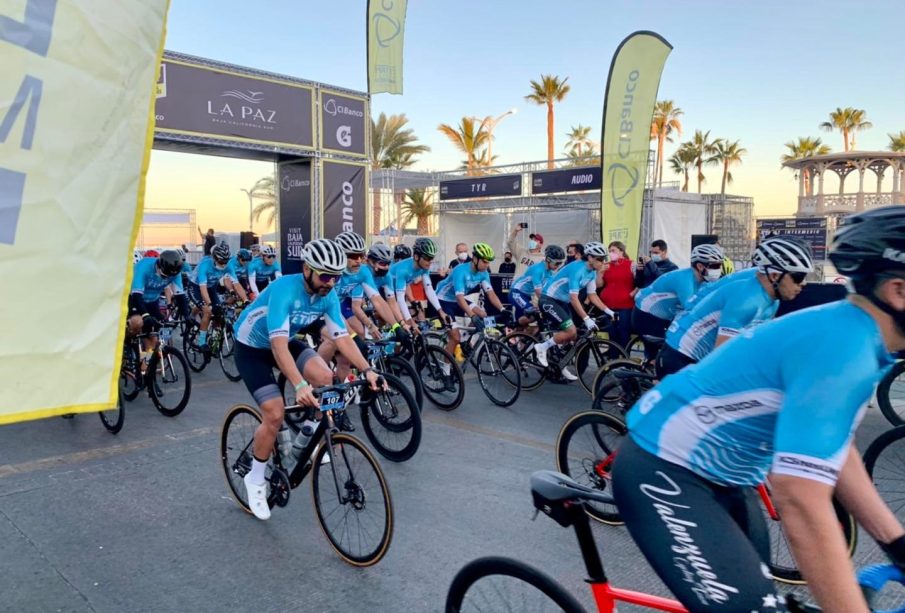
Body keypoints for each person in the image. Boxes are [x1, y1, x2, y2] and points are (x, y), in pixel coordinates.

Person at [612, 205, 905, 613]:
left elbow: (836, 448)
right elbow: (800, 500)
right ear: (897, 291)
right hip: (664, 468)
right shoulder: (844, 349)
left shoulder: (857, 336)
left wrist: (896, 544)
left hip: (727, 478)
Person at [233, 238, 381, 521]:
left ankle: (304, 442)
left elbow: (342, 337)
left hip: (285, 341)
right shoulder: (284, 290)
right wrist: (299, 384)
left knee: (326, 378)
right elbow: (277, 346)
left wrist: (368, 371)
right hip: (252, 348)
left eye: (336, 277)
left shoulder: (329, 295)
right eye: (325, 276)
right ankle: (255, 477)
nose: (330, 283)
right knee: (275, 413)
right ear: (307, 270)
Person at [658, 237, 813, 379]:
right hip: (681, 357)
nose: (804, 283)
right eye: (798, 277)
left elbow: (761, 340)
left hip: (702, 358)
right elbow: (722, 360)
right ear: (774, 275)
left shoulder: (773, 297)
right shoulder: (746, 300)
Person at [317, 232, 401, 383]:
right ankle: (316, 380)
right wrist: (353, 337)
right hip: (319, 308)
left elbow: (378, 300)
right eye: (353, 256)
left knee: (345, 358)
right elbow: (333, 311)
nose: (358, 260)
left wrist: (396, 326)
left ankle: (340, 396)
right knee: (333, 340)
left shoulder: (362, 271)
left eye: (361, 256)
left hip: (338, 306)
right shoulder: (332, 273)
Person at [531, 241, 614, 381]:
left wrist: (608, 311)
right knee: (571, 331)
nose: (602, 262)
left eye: (604, 259)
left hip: (562, 302)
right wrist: (587, 319)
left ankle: (560, 364)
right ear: (590, 258)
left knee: (572, 336)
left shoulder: (591, 272)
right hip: (548, 300)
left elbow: (592, 295)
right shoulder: (577, 269)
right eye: (599, 259)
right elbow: (574, 299)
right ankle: (542, 347)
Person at [632, 243, 725, 362]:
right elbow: (694, 310)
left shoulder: (703, 279)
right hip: (646, 316)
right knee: (666, 357)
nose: (718, 269)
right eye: (715, 266)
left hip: (663, 316)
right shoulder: (684, 280)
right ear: (700, 266)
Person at [435, 242, 508, 362]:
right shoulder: (460, 270)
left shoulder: (484, 273)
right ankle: (445, 369)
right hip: (443, 299)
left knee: (483, 315)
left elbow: (491, 293)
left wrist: (502, 309)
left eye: (488, 262)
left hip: (456, 299)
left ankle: (466, 339)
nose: (487, 265)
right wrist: (472, 316)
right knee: (455, 337)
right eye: (484, 261)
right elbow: (460, 298)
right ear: (475, 258)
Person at [187, 242, 238, 351]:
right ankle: (201, 342)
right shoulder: (204, 265)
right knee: (207, 311)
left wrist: (242, 298)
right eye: (221, 262)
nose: (224, 264)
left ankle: (214, 336)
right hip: (196, 286)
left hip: (210, 287)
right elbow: (202, 288)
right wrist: (209, 304)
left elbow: (235, 283)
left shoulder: (227, 265)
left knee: (219, 312)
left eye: (226, 262)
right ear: (214, 258)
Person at [390, 237, 447, 329]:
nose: (430, 262)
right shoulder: (404, 270)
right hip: (382, 289)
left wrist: (441, 311)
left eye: (432, 258)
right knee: (396, 321)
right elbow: (400, 299)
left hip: (396, 289)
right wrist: (411, 322)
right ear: (416, 257)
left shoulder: (423, 268)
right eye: (427, 258)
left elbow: (429, 290)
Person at [509, 245, 565, 329]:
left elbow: (550, 291)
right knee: (534, 314)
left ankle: (519, 336)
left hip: (526, 296)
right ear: (548, 260)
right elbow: (539, 292)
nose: (558, 266)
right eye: (557, 263)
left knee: (529, 322)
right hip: (516, 293)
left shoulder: (549, 272)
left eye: (560, 263)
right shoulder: (538, 269)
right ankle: (509, 327)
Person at [599, 241, 636, 351]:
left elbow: (641, 281)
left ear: (621, 251)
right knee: (611, 332)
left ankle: (624, 358)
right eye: (609, 251)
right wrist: (600, 273)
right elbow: (599, 284)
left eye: (613, 251)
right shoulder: (606, 266)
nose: (611, 253)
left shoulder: (631, 264)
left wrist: (633, 293)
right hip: (608, 305)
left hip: (625, 305)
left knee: (624, 332)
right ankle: (613, 358)